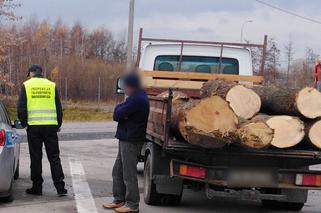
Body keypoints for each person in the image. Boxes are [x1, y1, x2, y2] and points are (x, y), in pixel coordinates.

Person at [17, 64, 67, 196]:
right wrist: (57, 124)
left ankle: (37, 187)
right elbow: (58, 107)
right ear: (41, 73)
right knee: (54, 157)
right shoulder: (51, 85)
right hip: (50, 126)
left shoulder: (26, 85)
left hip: (34, 127)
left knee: (36, 157)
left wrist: (25, 124)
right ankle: (60, 187)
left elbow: (21, 108)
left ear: (31, 73)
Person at [103, 72, 150, 213]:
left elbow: (116, 114)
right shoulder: (134, 98)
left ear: (131, 86)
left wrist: (120, 108)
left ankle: (132, 204)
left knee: (128, 174)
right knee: (117, 171)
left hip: (131, 141)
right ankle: (119, 199)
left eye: (125, 86)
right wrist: (121, 109)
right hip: (125, 139)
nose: (124, 89)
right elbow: (120, 112)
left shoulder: (136, 99)